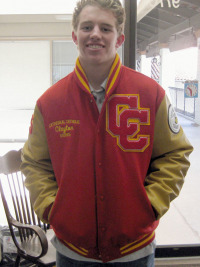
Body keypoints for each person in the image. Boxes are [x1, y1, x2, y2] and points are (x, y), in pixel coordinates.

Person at [20, 0, 193, 266]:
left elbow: (175, 154)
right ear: (75, 36)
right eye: (87, 27)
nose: (95, 34)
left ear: (120, 38)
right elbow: (34, 163)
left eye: (106, 28)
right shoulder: (49, 103)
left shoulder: (151, 94)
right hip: (72, 250)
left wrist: (151, 204)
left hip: (134, 250)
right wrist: (51, 209)